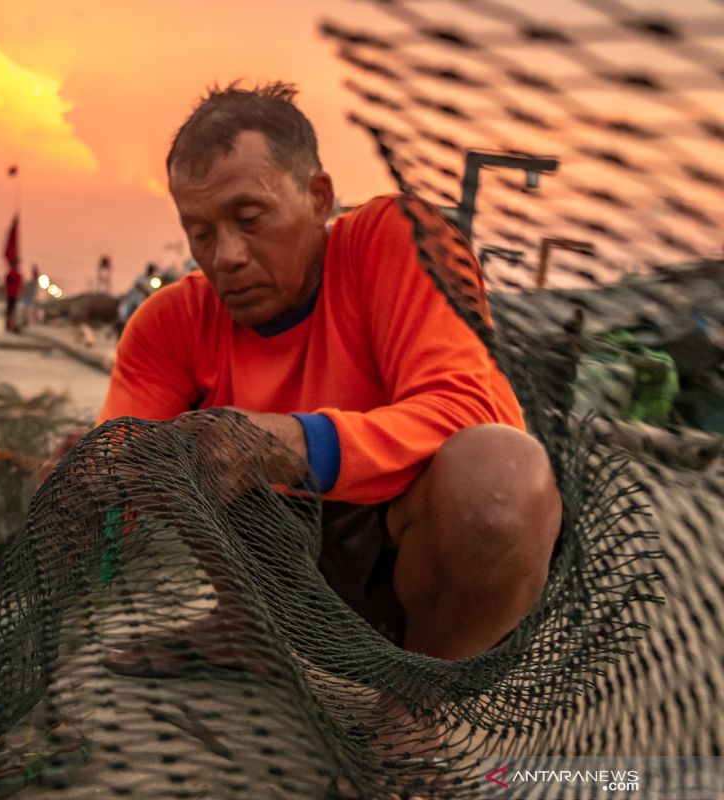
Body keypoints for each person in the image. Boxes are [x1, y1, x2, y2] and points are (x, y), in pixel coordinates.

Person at [41, 81, 562, 671]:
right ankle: (245, 626)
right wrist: (90, 491)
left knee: (501, 481)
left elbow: (467, 409)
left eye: (250, 217)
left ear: (319, 198)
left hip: (406, 571)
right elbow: (125, 468)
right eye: (201, 232)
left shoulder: (399, 241)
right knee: (137, 460)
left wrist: (287, 444)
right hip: (283, 569)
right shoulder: (169, 322)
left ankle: (419, 692)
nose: (226, 256)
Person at [4, 259, 22, 332]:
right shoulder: (10, 274)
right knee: (9, 310)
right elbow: (6, 284)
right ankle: (9, 325)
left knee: (12, 310)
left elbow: (20, 286)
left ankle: (11, 325)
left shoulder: (18, 275)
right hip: (10, 294)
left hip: (14, 295)